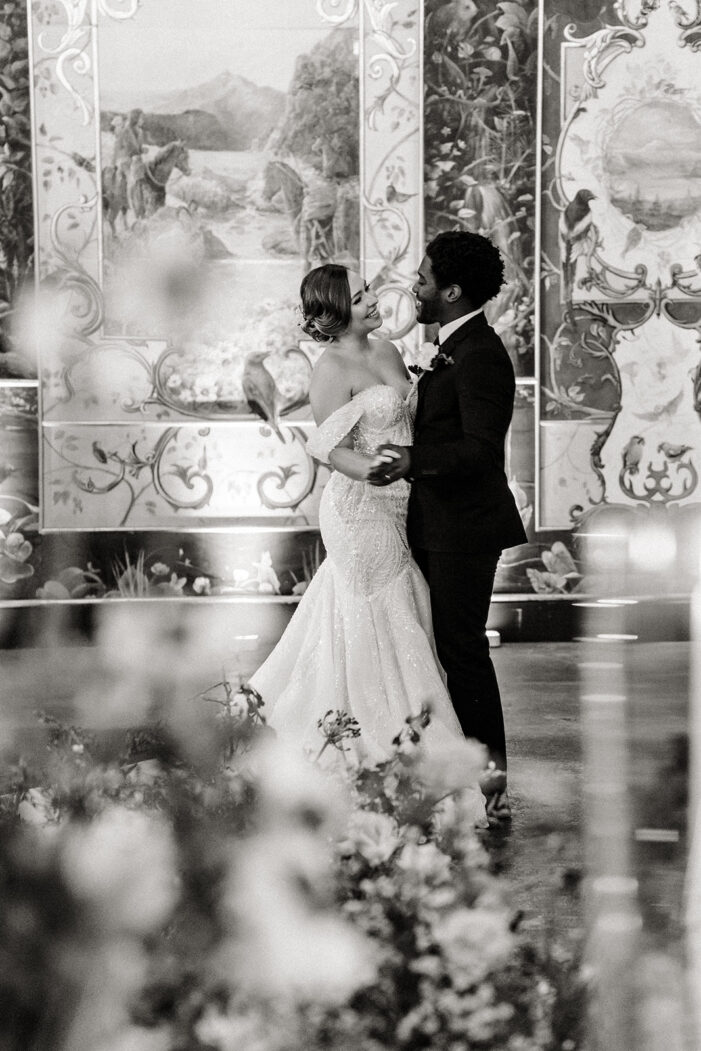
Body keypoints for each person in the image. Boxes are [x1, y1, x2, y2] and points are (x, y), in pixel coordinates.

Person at [249, 263, 487, 826]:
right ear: (335, 314)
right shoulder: (330, 368)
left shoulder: (387, 350)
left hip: (402, 503)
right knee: (380, 611)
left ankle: (407, 739)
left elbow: (409, 420)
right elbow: (328, 447)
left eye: (369, 290)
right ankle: (366, 742)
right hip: (359, 510)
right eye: (360, 297)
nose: (374, 301)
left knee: (399, 610)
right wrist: (372, 473)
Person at [368, 231, 527, 823]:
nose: (415, 286)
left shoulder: (481, 354)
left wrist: (415, 461)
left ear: (453, 292)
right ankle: (455, 771)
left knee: (462, 653)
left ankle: (492, 782)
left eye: (425, 279)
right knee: (444, 651)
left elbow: (482, 453)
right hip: (438, 524)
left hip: (465, 528)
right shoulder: (454, 348)